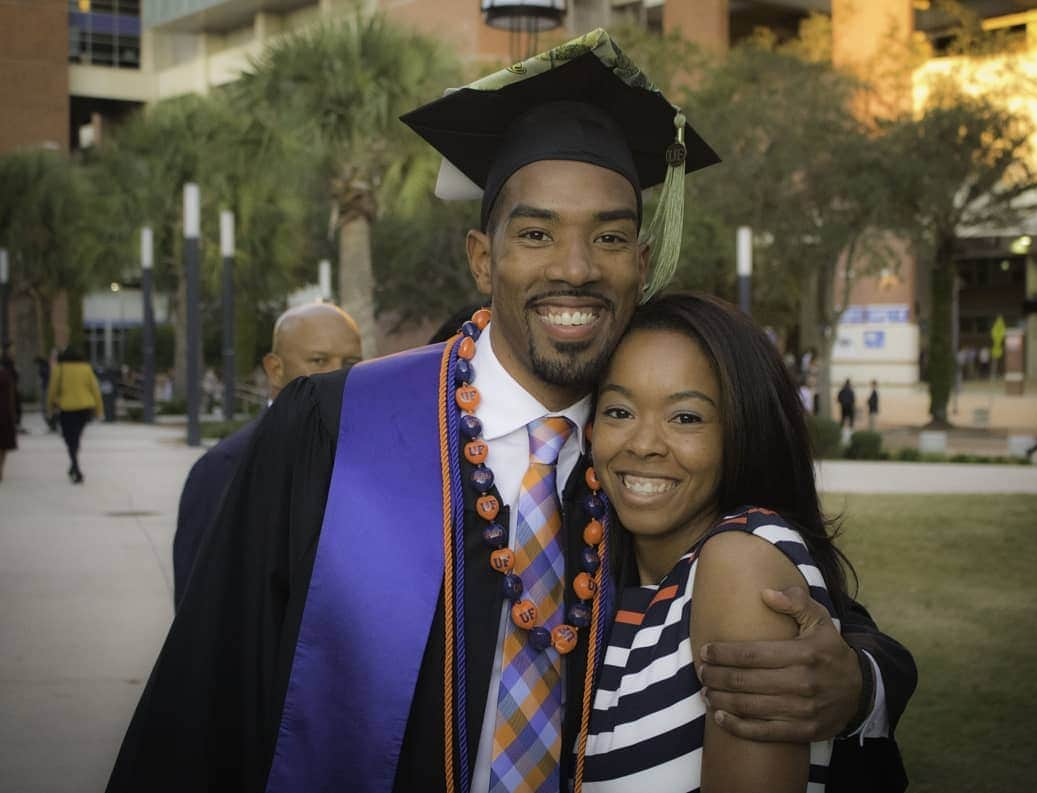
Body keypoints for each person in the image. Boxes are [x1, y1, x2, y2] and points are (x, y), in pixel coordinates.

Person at [106, 30, 912, 793]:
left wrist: (862, 680)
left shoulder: (653, 458)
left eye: (608, 237)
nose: (574, 268)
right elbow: (208, 688)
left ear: (640, 262)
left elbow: (819, 612)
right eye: (535, 233)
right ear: (483, 256)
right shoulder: (339, 428)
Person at [585, 293, 910, 792]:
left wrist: (864, 683)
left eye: (686, 417)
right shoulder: (597, 557)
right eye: (619, 411)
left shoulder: (740, 566)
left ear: (742, 429)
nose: (644, 443)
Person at [173, 302, 363, 608]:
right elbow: (197, 610)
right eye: (319, 360)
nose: (338, 374)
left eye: (351, 361)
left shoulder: (372, 461)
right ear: (275, 369)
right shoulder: (222, 469)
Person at [46, 346, 103, 484]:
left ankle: (76, 469)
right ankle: (74, 466)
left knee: (70, 438)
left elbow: (52, 390)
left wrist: (49, 408)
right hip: (85, 408)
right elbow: (95, 389)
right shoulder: (86, 368)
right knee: (75, 437)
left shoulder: (59, 369)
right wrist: (99, 410)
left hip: (67, 408)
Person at [0, 362, 16, 481]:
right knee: (3, 444)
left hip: (4, 413)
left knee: (3, 444)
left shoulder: (5, 374)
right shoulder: (5, 374)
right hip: (4, 413)